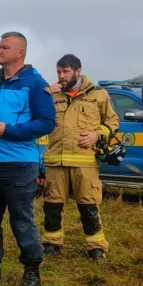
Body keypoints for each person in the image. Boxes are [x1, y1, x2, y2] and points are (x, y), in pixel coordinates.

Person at [0, 32, 56, 286]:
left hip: (18, 164)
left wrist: (9, 131)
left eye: (5, 47)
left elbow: (47, 123)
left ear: (20, 53)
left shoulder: (35, 84)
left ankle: (32, 273)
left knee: (21, 221)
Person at [41, 54, 119, 261]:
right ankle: (52, 243)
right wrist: (45, 95)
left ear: (78, 71)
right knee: (52, 206)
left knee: (88, 206)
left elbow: (113, 123)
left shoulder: (98, 94)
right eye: (59, 72)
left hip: (84, 162)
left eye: (66, 71)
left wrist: (96, 134)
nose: (61, 76)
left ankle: (96, 247)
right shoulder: (52, 95)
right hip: (55, 162)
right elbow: (38, 119)